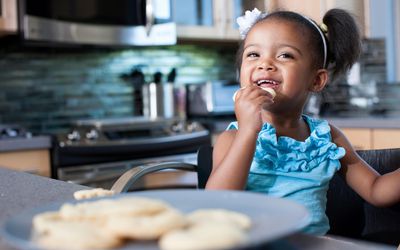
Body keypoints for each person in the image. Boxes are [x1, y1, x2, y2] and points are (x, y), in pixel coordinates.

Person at [205, 8, 400, 235]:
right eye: (253, 54)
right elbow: (216, 205)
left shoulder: (327, 138)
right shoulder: (233, 138)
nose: (264, 64)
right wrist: (249, 129)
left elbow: (376, 190)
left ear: (316, 80)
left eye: (285, 55)